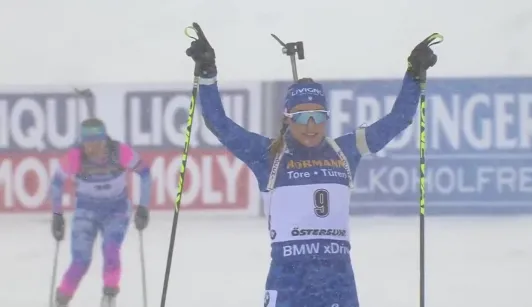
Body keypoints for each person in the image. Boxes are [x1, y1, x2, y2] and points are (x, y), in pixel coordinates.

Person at [186, 26, 437, 307]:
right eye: (301, 117)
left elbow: (397, 121)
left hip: (337, 279)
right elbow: (219, 124)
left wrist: (414, 75)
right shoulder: (268, 155)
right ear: (288, 119)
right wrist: (207, 73)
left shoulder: (345, 150)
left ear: (327, 117)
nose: (310, 126)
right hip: (289, 278)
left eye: (317, 116)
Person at [49, 118, 151, 307]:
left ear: (102, 140)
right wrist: (57, 215)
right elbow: (56, 183)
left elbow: (145, 173)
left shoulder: (120, 152)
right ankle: (62, 298)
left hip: (116, 210)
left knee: (111, 249)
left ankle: (109, 296)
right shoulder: (76, 156)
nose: (88, 148)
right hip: (86, 209)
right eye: (85, 142)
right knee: (81, 259)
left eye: (93, 142)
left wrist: (143, 207)